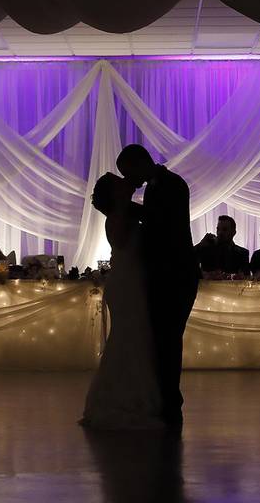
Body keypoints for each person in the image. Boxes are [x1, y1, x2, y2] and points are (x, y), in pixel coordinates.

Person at [116, 144, 199, 428]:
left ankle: (169, 403)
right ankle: (166, 400)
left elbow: (163, 226)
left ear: (140, 163)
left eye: (129, 173)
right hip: (168, 274)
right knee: (164, 340)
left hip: (175, 274)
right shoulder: (158, 186)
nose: (130, 180)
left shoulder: (170, 185)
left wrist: (124, 208)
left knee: (168, 338)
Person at [80, 173, 164, 430]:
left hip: (128, 282)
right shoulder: (120, 217)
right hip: (129, 284)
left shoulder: (124, 213)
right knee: (129, 339)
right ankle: (126, 400)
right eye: (119, 182)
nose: (124, 181)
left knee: (129, 340)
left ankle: (123, 395)